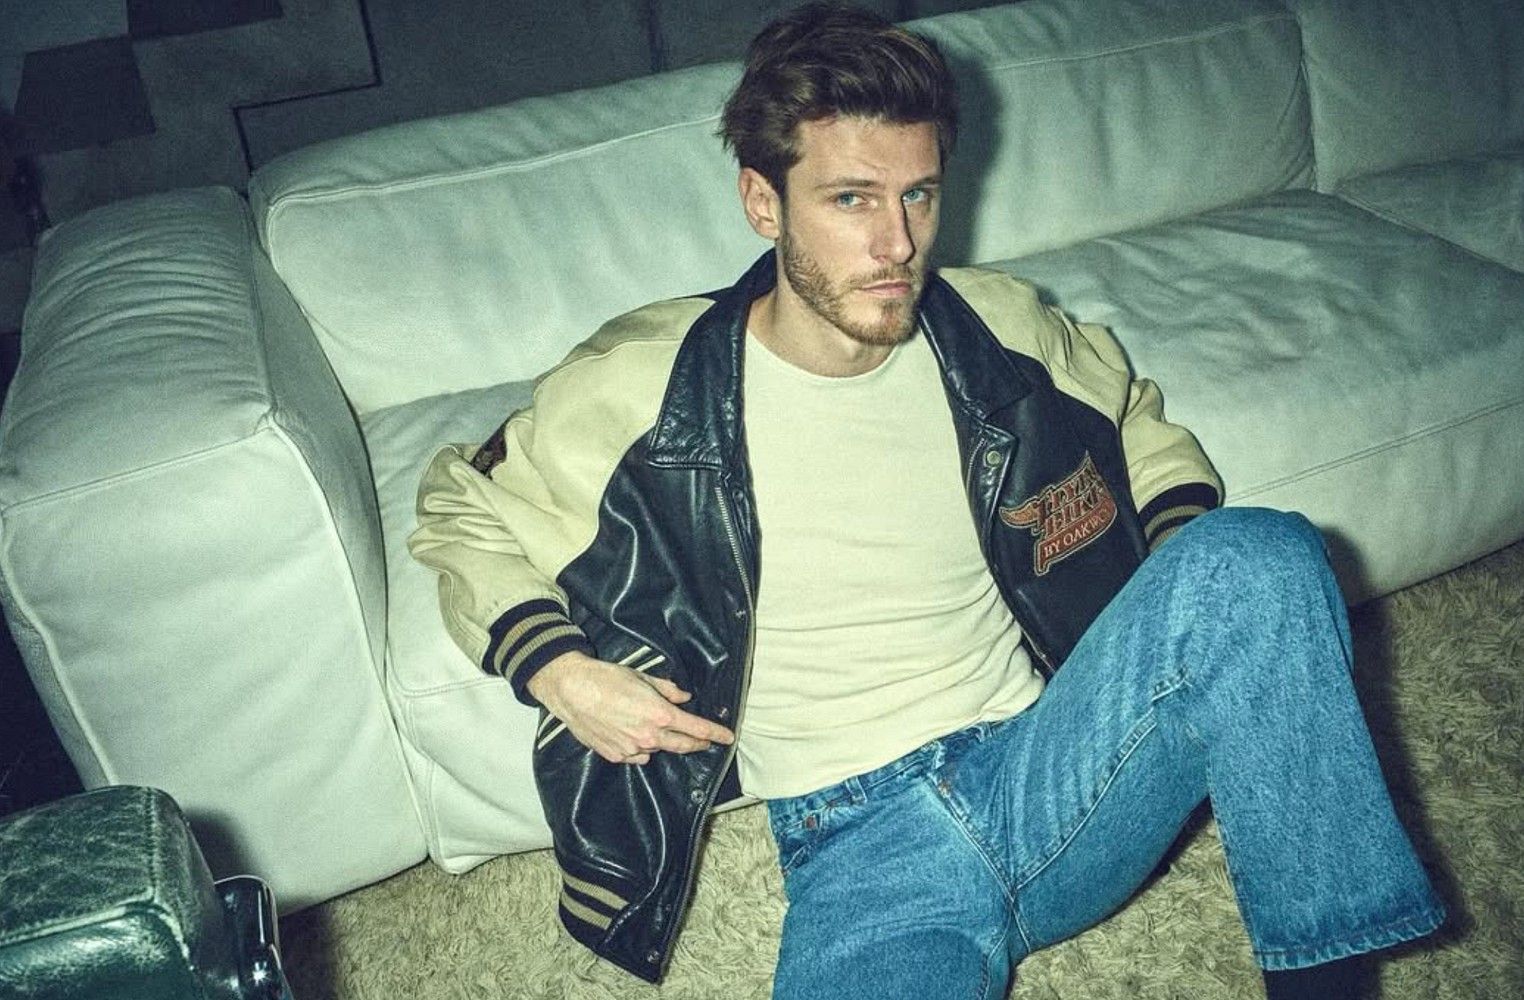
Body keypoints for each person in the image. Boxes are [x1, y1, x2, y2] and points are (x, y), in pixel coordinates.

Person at [409, 4, 1445, 996]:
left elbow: (1129, 413)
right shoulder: (642, 382)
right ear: (764, 203)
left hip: (1059, 768)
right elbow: (458, 503)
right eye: (851, 199)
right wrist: (558, 669)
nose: (898, 244)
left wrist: (1173, 575)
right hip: (859, 846)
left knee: (1255, 555)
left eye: (919, 195)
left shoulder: (997, 327)